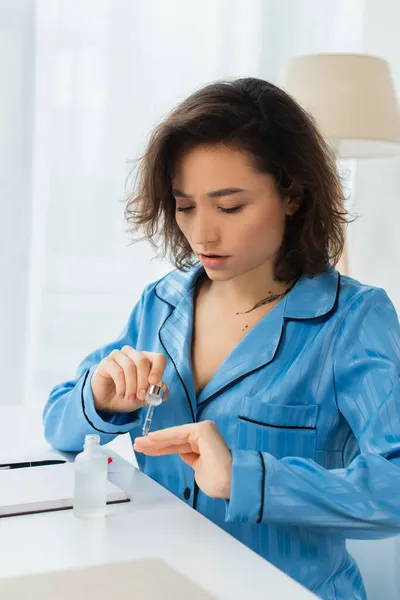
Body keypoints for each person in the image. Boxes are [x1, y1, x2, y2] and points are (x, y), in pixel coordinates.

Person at [43, 77, 400, 600]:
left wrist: (247, 479)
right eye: (185, 206)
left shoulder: (353, 319)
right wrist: (98, 397)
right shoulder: (161, 304)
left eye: (229, 207)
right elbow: (59, 425)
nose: (202, 234)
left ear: (293, 195)